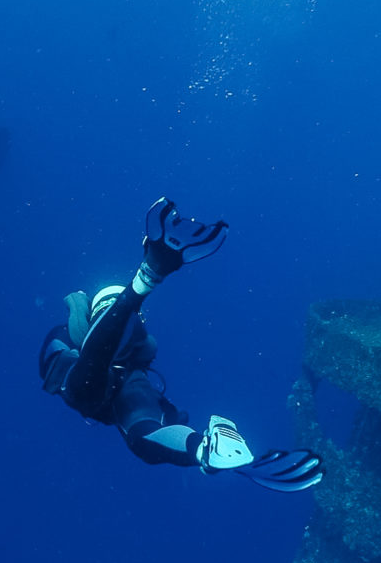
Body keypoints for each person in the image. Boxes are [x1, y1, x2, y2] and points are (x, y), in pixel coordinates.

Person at [39, 198, 323, 491]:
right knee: (139, 432)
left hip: (114, 379)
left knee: (99, 402)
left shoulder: (74, 341)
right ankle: (203, 450)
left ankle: (204, 451)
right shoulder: (77, 341)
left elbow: (79, 369)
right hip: (117, 378)